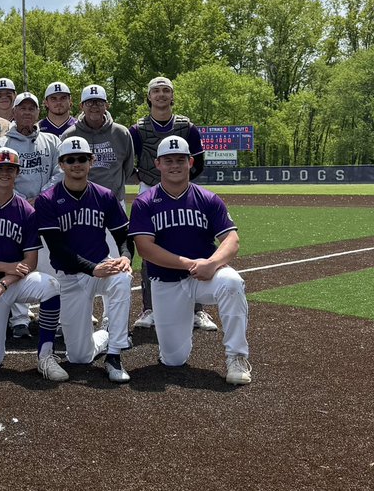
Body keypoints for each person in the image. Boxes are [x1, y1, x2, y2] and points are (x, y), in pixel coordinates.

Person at [128, 136, 251, 385]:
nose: (175, 165)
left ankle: (237, 356)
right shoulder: (145, 202)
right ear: (158, 164)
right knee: (173, 360)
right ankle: (178, 335)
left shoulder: (208, 199)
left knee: (232, 283)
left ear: (191, 162)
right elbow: (145, 249)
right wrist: (190, 263)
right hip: (167, 282)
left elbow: (232, 239)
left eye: (181, 160)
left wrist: (212, 263)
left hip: (204, 277)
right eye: (168, 160)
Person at [0, 147, 67, 381]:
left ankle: (46, 355)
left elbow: (31, 260)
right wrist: (6, 267)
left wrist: (6, 281)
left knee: (51, 286)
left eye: (10, 168)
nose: (5, 173)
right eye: (0, 168)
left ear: (17, 172)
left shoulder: (26, 210)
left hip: (15, 282)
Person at [35, 136, 133, 383]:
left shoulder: (104, 196)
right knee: (80, 356)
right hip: (71, 275)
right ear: (61, 165)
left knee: (122, 277)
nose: (76, 164)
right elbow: (57, 250)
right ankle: (107, 335)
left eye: (82, 159)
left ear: (92, 161)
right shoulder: (47, 200)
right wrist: (93, 269)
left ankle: (114, 355)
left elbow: (124, 236)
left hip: (103, 268)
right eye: (70, 160)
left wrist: (125, 256)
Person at [129, 76, 212, 332]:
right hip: (149, 190)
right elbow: (128, 163)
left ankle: (198, 309)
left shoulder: (187, 126)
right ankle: (149, 308)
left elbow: (198, 162)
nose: (161, 95)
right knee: (149, 248)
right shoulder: (137, 129)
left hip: (183, 190)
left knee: (191, 241)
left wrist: (179, 183)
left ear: (172, 96)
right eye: (156, 91)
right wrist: (144, 180)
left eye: (166, 91)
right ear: (149, 97)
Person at [0, 90, 62, 338]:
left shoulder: (52, 141)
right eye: (23, 108)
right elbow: (0, 175)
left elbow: (59, 171)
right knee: (17, 263)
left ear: (38, 112)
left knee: (50, 264)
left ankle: (52, 316)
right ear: (14, 112)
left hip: (46, 210)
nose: (27, 112)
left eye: (32, 108)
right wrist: (22, 201)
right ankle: (19, 319)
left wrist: (40, 197)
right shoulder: (1, 143)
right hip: (15, 211)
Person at [64, 85, 136, 207]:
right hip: (80, 202)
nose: (94, 106)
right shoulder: (70, 135)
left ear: (107, 105)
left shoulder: (121, 133)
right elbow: (63, 168)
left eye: (99, 102)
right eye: (89, 103)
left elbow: (128, 167)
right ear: (81, 106)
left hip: (115, 201)